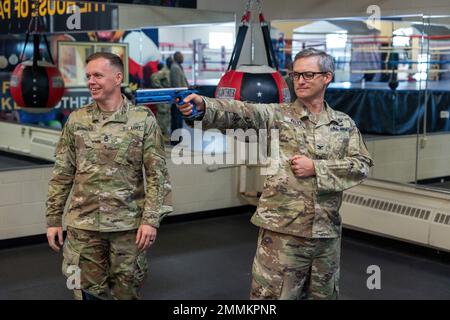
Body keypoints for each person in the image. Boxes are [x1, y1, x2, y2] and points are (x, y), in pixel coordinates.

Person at [178, 48, 373, 300]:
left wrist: (317, 168)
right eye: (295, 75)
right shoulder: (278, 116)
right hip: (283, 235)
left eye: (308, 74)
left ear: (327, 77)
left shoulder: (343, 124)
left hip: (326, 236)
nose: (300, 80)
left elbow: (362, 165)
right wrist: (204, 105)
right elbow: (242, 112)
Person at [45, 52, 172, 300]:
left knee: (127, 292)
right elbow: (62, 174)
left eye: (98, 75)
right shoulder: (76, 120)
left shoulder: (143, 120)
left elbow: (157, 175)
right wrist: (52, 220)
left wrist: (151, 220)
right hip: (84, 226)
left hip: (128, 226)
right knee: (87, 292)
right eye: (89, 76)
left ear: (117, 77)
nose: (91, 81)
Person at [151, 57, 172, 141]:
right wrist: (160, 88)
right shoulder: (165, 71)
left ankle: (163, 135)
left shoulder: (169, 71)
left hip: (167, 96)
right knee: (162, 115)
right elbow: (154, 77)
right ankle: (160, 135)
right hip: (163, 96)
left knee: (166, 116)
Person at [170, 51, 189, 142]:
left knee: (179, 119)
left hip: (181, 97)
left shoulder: (178, 67)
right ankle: (175, 139)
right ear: (177, 57)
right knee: (176, 120)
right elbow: (176, 85)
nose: (183, 59)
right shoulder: (175, 68)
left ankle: (178, 138)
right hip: (178, 98)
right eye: (181, 57)